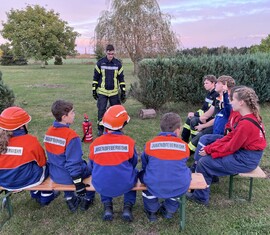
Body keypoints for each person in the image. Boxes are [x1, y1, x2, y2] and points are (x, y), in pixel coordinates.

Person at [186, 86, 267, 206]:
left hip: (247, 159)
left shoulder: (246, 123)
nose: (230, 102)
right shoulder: (249, 117)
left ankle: (201, 198)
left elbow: (231, 147)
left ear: (241, 102)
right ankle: (207, 180)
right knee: (206, 158)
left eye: (233, 99)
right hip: (245, 154)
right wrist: (211, 147)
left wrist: (210, 150)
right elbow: (230, 137)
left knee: (204, 162)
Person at [44, 100, 95, 212]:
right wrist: (79, 185)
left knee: (64, 162)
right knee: (93, 164)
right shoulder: (71, 137)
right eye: (72, 113)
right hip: (69, 177)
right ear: (64, 117)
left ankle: (69, 197)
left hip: (55, 174)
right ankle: (88, 198)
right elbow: (73, 164)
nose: (74, 114)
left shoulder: (48, 132)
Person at [139, 112, 191, 222]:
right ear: (177, 130)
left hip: (154, 183)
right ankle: (169, 210)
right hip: (178, 184)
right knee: (181, 178)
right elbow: (183, 163)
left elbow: (145, 164)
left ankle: (152, 211)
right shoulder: (184, 146)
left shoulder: (149, 144)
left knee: (145, 178)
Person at [89, 105, 137, 222]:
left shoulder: (96, 143)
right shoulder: (129, 142)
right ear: (123, 124)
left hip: (101, 184)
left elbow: (91, 165)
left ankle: (107, 208)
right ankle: (127, 208)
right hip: (125, 183)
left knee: (103, 174)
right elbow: (134, 162)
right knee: (134, 172)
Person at [0, 106, 57, 206]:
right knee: (49, 167)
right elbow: (42, 162)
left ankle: (35, 192)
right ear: (22, 126)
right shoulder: (30, 141)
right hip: (26, 180)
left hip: (4, 181)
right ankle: (46, 195)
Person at [188, 75, 235, 152]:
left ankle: (187, 154)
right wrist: (201, 118)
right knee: (194, 122)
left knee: (201, 136)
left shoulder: (229, 101)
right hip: (215, 123)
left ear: (224, 86)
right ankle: (192, 151)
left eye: (218, 83)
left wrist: (203, 125)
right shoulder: (218, 97)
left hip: (221, 128)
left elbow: (221, 118)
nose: (215, 84)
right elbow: (211, 112)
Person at [92, 44, 126, 136]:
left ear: (114, 53)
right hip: (102, 92)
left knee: (116, 111)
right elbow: (95, 78)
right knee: (101, 110)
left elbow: (121, 79)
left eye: (112, 53)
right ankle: (100, 129)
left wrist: (123, 91)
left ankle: (117, 128)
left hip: (114, 92)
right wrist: (94, 90)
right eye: (109, 53)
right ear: (106, 52)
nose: (110, 55)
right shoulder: (100, 63)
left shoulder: (118, 64)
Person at [181, 75, 218, 143]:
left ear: (213, 83)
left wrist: (195, 115)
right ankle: (184, 140)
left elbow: (210, 111)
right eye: (204, 83)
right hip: (205, 116)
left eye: (207, 83)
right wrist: (195, 114)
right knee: (189, 119)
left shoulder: (216, 94)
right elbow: (203, 109)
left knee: (194, 120)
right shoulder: (209, 94)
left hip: (211, 118)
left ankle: (195, 142)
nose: (204, 85)